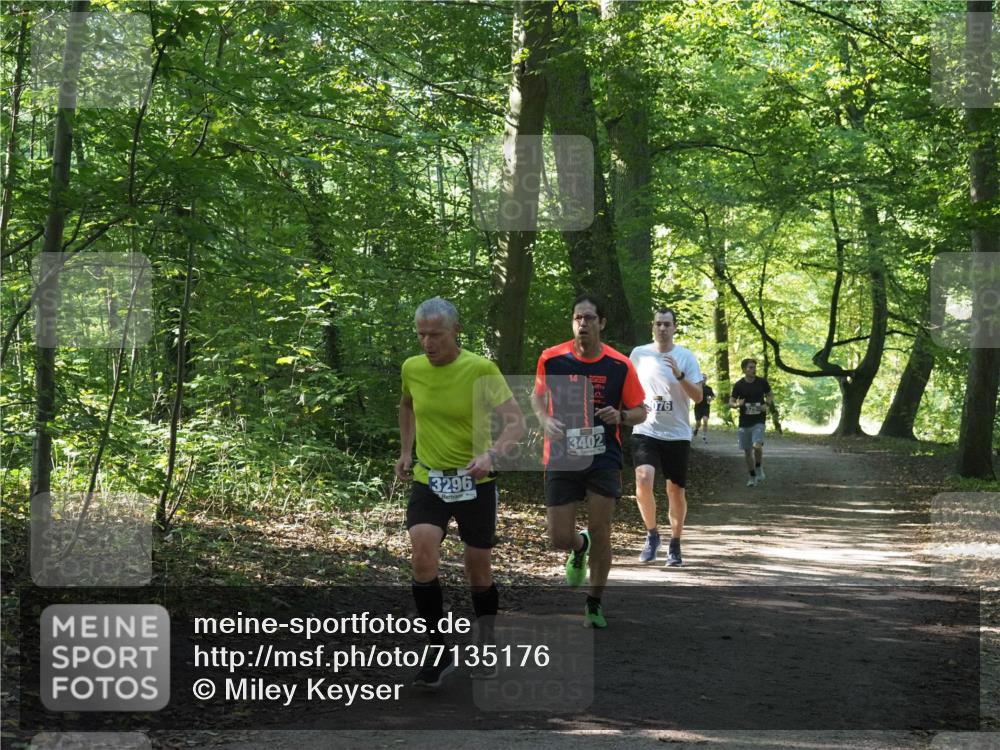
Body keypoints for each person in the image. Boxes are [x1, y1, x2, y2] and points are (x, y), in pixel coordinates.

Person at [395, 297, 525, 687]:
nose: (427, 343)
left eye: (434, 335)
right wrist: (405, 451)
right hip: (429, 478)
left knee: (477, 570)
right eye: (421, 335)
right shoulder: (412, 368)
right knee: (421, 553)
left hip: (475, 482)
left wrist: (490, 454)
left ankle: (485, 641)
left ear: (455, 332)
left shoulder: (481, 369)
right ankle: (438, 649)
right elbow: (406, 406)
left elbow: (516, 424)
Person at [531, 294, 645, 629]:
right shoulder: (552, 358)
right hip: (562, 456)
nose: (583, 324)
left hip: (603, 456)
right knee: (558, 538)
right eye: (578, 318)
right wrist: (543, 420)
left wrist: (621, 415)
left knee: (602, 527)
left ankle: (594, 602)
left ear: (602, 323)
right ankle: (579, 547)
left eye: (590, 318)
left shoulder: (619, 365)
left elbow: (641, 411)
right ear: (572, 322)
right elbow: (537, 397)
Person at [629, 309, 703, 567]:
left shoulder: (686, 357)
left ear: (674, 328)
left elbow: (698, 397)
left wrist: (680, 376)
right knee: (643, 479)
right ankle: (651, 535)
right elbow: (627, 387)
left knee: (675, 490)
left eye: (667, 324)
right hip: (645, 428)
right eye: (658, 324)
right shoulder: (639, 354)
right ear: (653, 327)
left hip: (677, 433)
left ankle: (675, 543)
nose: (662, 328)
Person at [729, 358, 774, 487]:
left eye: (754, 367)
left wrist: (767, 404)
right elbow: (731, 402)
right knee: (748, 452)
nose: (753, 370)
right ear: (744, 369)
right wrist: (737, 404)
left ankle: (759, 467)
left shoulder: (762, 382)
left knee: (757, 445)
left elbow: (770, 394)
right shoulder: (739, 385)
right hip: (744, 422)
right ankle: (752, 476)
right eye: (750, 367)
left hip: (758, 419)